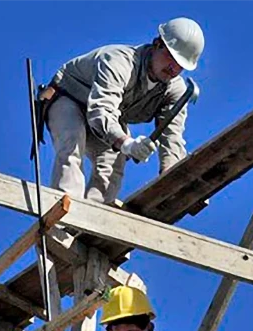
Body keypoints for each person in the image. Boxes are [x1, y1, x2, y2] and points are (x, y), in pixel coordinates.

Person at [38, 17, 205, 205]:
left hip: (108, 117)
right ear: (157, 44)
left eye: (180, 64)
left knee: (114, 163)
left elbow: (172, 137)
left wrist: (173, 179)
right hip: (70, 97)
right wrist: (127, 144)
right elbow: (100, 111)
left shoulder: (175, 91)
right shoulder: (119, 61)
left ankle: (94, 215)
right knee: (72, 141)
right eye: (170, 57)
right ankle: (64, 210)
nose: (173, 68)